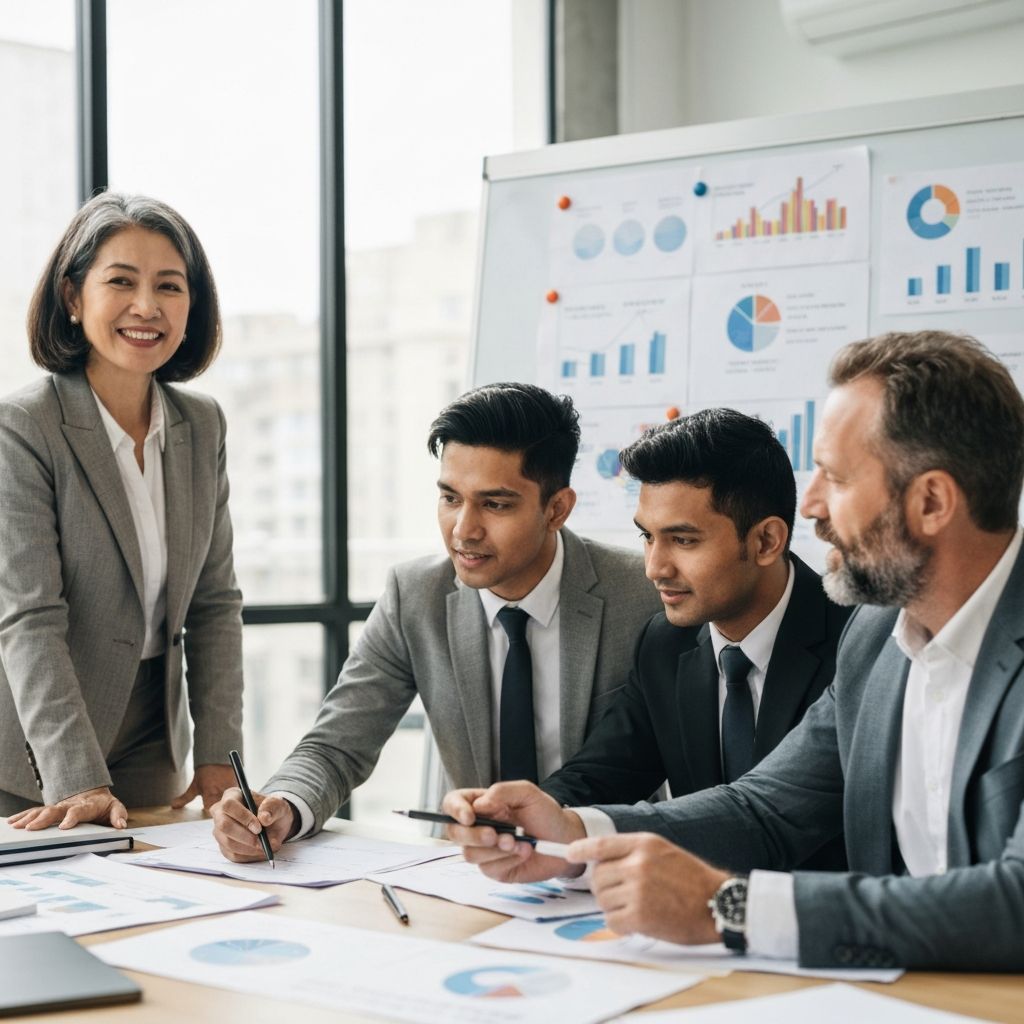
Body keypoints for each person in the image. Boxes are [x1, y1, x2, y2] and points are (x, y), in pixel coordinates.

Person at [447, 331, 1024, 971]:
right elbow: (765, 808)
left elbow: (1015, 900)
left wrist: (732, 908)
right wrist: (573, 833)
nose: (811, 507)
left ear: (932, 501)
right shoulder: (877, 639)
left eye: (834, 477)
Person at [211, 383, 661, 861]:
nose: (463, 529)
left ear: (557, 508)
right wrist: (284, 806)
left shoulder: (642, 594)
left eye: (495, 504)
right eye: (450, 498)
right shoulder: (415, 594)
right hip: (471, 872)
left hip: (606, 870)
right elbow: (338, 745)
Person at [0, 192, 244, 829]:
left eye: (169, 285)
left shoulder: (202, 424)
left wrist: (221, 754)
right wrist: (76, 778)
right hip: (28, 749)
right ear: (73, 298)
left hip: (150, 739)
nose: (147, 306)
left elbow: (215, 603)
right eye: (121, 282)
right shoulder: (23, 427)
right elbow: (29, 616)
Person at [539, 409, 850, 869]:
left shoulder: (855, 640)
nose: (654, 568)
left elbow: (777, 816)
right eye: (648, 537)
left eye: (683, 541)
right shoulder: (666, 643)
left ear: (766, 541)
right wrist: (534, 813)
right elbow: (604, 773)